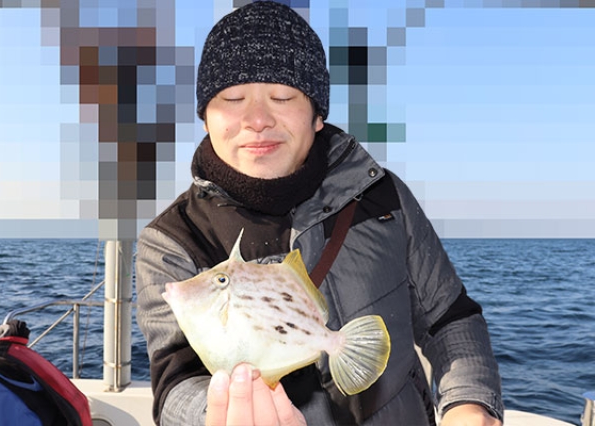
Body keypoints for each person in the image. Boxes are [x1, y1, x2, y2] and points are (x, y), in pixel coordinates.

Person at [135, 1, 504, 425]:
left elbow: (450, 316)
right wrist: (215, 414)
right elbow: (175, 379)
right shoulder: (172, 239)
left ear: (316, 114)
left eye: (282, 96)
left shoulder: (382, 195)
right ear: (205, 118)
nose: (257, 119)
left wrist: (470, 403)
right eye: (232, 98)